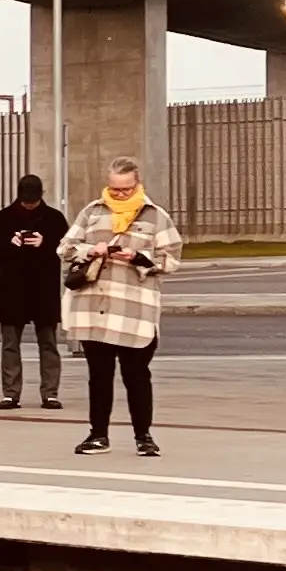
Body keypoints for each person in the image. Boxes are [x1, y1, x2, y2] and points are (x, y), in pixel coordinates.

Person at [60, 157, 181, 459]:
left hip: (134, 309)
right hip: (94, 307)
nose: (120, 195)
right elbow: (65, 247)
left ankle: (144, 437)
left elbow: (172, 259)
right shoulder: (92, 212)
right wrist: (92, 250)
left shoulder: (156, 216)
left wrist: (138, 258)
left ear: (137, 184)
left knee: (136, 375)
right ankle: (98, 435)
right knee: (98, 375)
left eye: (126, 190)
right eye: (115, 190)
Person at [0, 173, 69, 412]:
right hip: (12, 289)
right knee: (10, 343)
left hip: (44, 289)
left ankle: (50, 393)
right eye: (25, 200)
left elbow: (67, 249)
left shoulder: (54, 218)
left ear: (41, 196)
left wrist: (45, 242)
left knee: (48, 343)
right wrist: (12, 243)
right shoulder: (5, 217)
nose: (29, 204)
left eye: (33, 199)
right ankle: (11, 393)